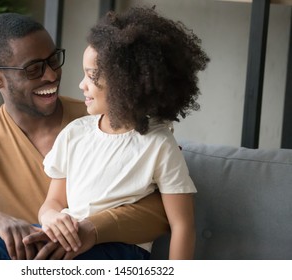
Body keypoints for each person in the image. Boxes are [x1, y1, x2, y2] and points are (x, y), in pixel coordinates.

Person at [0, 12, 168, 260]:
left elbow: (163, 211)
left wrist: (91, 230)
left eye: (54, 60)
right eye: (34, 69)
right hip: (22, 260)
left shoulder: (103, 119)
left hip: (95, 254)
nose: (52, 75)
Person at [38, 6, 209, 259]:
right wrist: (50, 217)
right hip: (70, 238)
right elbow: (52, 202)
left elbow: (182, 225)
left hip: (120, 250)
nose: (81, 84)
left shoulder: (158, 144)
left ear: (124, 84)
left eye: (91, 75)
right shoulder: (75, 133)